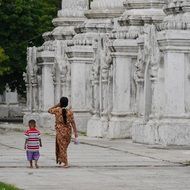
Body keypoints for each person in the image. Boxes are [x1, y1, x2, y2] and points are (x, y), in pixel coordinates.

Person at [48, 97, 78, 168]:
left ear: (60, 103)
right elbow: (73, 123)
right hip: (68, 132)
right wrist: (75, 132)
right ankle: (62, 158)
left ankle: (65, 162)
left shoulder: (57, 110)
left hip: (60, 131)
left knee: (62, 147)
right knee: (64, 147)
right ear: (67, 104)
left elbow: (49, 110)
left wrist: (57, 105)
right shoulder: (70, 112)